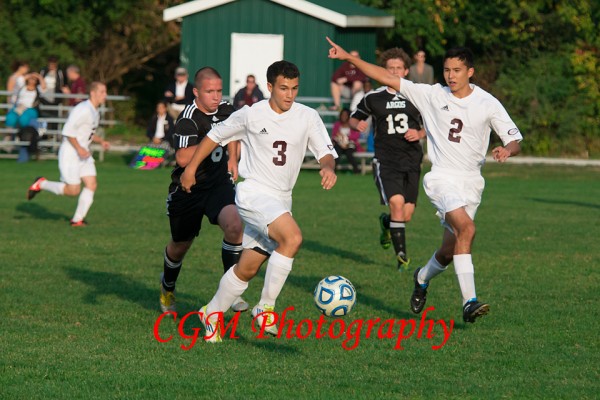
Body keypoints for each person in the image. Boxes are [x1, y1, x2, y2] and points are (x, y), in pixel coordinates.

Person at [327, 37, 523, 323]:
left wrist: (507, 149)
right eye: (446, 70)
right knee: (467, 230)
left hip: (472, 183)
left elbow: (515, 138)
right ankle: (469, 302)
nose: (450, 76)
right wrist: (350, 57)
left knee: (448, 250)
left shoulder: (487, 103)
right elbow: (384, 76)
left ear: (471, 71)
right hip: (442, 178)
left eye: (456, 70)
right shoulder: (431, 95)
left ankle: (422, 277)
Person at [180, 60, 338, 342]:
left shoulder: (307, 116)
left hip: (282, 200)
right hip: (254, 194)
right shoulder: (250, 115)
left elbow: (325, 152)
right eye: (283, 88)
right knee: (293, 238)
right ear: (269, 87)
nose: (290, 94)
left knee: (247, 268)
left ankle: (211, 312)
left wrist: (328, 167)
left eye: (294, 88)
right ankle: (265, 308)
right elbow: (214, 137)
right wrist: (190, 169)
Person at [159, 67, 246, 315]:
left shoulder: (227, 109)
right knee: (180, 245)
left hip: (218, 184)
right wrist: (214, 137)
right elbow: (184, 158)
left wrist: (232, 157)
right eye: (210, 91)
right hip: (189, 190)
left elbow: (234, 132)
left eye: (219, 90)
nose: (216, 96)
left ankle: (232, 290)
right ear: (196, 92)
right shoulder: (188, 118)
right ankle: (167, 287)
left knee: (235, 226)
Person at [349, 47, 425, 271]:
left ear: (406, 71)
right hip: (386, 161)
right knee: (397, 205)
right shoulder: (373, 98)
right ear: (384, 70)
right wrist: (359, 124)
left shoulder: (417, 95)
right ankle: (402, 256)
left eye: (398, 68)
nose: (394, 72)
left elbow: (434, 124)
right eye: (390, 68)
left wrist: (420, 134)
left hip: (411, 160)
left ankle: (386, 223)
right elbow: (354, 120)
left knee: (405, 215)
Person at [26, 82, 111, 226]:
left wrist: (101, 141)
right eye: (102, 92)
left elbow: (88, 131)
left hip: (83, 153)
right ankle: (42, 183)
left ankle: (77, 220)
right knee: (73, 190)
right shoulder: (82, 109)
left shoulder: (94, 110)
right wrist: (79, 149)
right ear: (92, 93)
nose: (105, 95)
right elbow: (67, 131)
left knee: (91, 184)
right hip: (71, 152)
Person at [332, 108, 362, 174]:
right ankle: (333, 171)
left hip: (350, 144)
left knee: (349, 154)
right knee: (336, 154)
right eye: (342, 115)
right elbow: (334, 135)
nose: (344, 117)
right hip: (339, 144)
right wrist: (340, 139)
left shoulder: (352, 124)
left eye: (345, 115)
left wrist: (345, 138)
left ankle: (356, 171)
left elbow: (356, 136)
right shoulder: (337, 124)